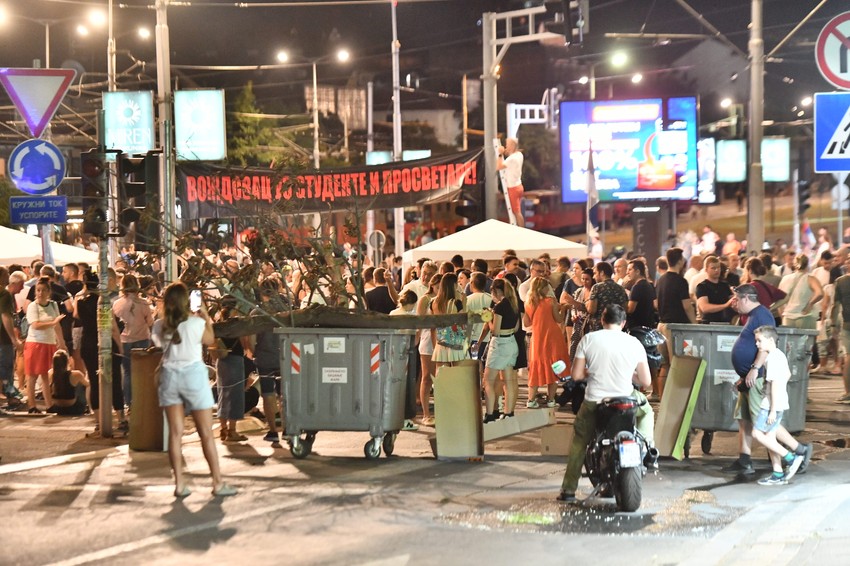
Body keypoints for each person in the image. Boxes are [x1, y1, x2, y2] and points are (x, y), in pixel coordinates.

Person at [557, 305, 653, 503]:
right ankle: (646, 446)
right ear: (624, 322)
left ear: (602, 319)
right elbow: (646, 382)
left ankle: (568, 490)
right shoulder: (634, 343)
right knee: (647, 411)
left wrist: (590, 373)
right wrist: (629, 374)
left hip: (595, 401)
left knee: (579, 441)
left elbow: (575, 375)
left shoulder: (589, 339)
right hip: (626, 397)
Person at [152, 281, 236, 498]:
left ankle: (179, 484)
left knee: (175, 434)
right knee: (206, 433)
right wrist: (205, 314)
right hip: (193, 377)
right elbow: (210, 340)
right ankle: (217, 483)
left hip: (170, 377)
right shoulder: (196, 323)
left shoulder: (160, 325)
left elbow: (158, 344)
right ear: (186, 301)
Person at [725, 285, 812, 475]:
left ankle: (799, 450)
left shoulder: (762, 315)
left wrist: (755, 369)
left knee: (763, 422)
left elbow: (765, 347)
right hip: (747, 378)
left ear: (746, 298)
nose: (734, 303)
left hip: (756, 378)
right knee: (744, 420)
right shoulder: (752, 316)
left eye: (736, 299)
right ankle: (744, 460)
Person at [750, 326, 805, 485]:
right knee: (770, 438)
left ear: (770, 340)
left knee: (757, 434)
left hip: (770, 405)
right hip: (779, 402)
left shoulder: (773, 358)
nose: (757, 344)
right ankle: (778, 473)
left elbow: (774, 384)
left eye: (759, 341)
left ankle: (791, 457)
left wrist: (772, 410)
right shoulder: (779, 355)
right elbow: (787, 375)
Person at [475, 278, 520, 422]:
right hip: (511, 342)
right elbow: (517, 327)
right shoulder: (513, 304)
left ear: (495, 291)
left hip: (499, 344)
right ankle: (508, 413)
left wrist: (488, 317)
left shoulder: (500, 307)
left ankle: (489, 414)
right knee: (508, 380)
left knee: (487, 380)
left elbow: (495, 330)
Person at [655, 248, 696, 399]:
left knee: (664, 365)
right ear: (680, 261)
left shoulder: (660, 280)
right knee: (678, 364)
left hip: (661, 325)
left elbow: (656, 303)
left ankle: (662, 398)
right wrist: (695, 324)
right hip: (677, 328)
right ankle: (677, 399)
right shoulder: (681, 281)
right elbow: (687, 306)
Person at [523, 277, 569, 408]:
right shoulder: (551, 301)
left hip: (537, 338)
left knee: (536, 368)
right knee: (555, 367)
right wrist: (564, 310)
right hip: (553, 338)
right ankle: (551, 400)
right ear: (543, 288)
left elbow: (526, 323)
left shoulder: (528, 303)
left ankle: (531, 400)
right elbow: (559, 319)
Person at [24, 277, 67, 413]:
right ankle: (32, 405)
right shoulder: (33, 306)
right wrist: (53, 323)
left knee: (46, 375)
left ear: (49, 292)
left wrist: (61, 342)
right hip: (35, 343)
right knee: (32, 375)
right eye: (38, 290)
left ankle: (49, 404)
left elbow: (57, 326)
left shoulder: (53, 305)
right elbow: (36, 325)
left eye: (43, 290)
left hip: (49, 343)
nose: (40, 293)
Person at [112, 274, 154, 409]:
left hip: (124, 340)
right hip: (142, 339)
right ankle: (141, 400)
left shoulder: (117, 304)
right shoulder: (143, 303)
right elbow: (150, 322)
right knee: (141, 372)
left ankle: (129, 402)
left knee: (128, 372)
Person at [415, 273, 441, 426]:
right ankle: (426, 414)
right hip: (427, 341)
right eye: (438, 287)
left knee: (439, 378)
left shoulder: (442, 299)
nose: (439, 290)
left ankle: (439, 411)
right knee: (426, 377)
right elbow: (420, 321)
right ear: (432, 285)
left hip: (441, 341)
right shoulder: (425, 299)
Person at [430, 273, 468, 367]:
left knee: (441, 376)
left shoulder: (434, 302)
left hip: (441, 340)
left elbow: (433, 326)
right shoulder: (456, 302)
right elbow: (463, 322)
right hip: (456, 340)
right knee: (458, 374)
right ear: (454, 285)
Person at [0, 267, 24, 403]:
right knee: (5, 369)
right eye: (7, 274)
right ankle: (9, 398)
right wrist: (14, 339)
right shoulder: (4, 294)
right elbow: (5, 316)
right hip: (3, 338)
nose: (8, 277)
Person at [695, 256, 735, 324]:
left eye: (718, 267)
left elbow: (732, 301)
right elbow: (705, 308)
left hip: (726, 323)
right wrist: (725, 305)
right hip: (709, 324)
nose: (717, 270)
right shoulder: (702, 286)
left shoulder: (725, 285)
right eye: (713, 268)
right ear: (706, 270)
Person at [48, 349, 89, 416]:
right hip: (75, 408)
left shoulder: (50, 373)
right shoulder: (76, 374)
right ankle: (89, 407)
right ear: (67, 361)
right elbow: (88, 384)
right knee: (82, 385)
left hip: (58, 408)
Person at [496, 137, 525, 227]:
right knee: (516, 211)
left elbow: (498, 167)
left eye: (507, 145)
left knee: (516, 212)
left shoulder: (511, 159)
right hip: (519, 185)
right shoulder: (519, 154)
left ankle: (522, 232)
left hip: (513, 188)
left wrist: (500, 154)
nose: (506, 146)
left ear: (512, 146)